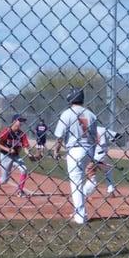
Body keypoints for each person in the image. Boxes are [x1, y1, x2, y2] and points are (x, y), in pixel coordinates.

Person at [53, 88, 97, 224]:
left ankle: (80, 216)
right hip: (89, 149)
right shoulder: (91, 114)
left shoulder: (67, 114)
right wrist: (92, 156)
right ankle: (80, 206)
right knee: (84, 182)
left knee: (76, 184)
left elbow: (59, 136)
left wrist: (56, 151)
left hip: (75, 151)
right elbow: (95, 137)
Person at [0, 114, 33, 197]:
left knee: (24, 170)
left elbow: (25, 147)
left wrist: (29, 154)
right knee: (4, 180)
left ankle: (20, 191)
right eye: (19, 120)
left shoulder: (22, 134)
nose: (21, 123)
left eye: (22, 121)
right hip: (5, 156)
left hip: (15, 156)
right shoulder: (6, 131)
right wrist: (8, 150)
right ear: (14, 121)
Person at [82, 125, 121, 197]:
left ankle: (83, 194)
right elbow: (118, 136)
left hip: (90, 156)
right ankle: (111, 190)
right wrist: (112, 140)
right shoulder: (102, 129)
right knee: (108, 172)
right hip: (103, 156)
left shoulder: (84, 130)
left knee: (91, 176)